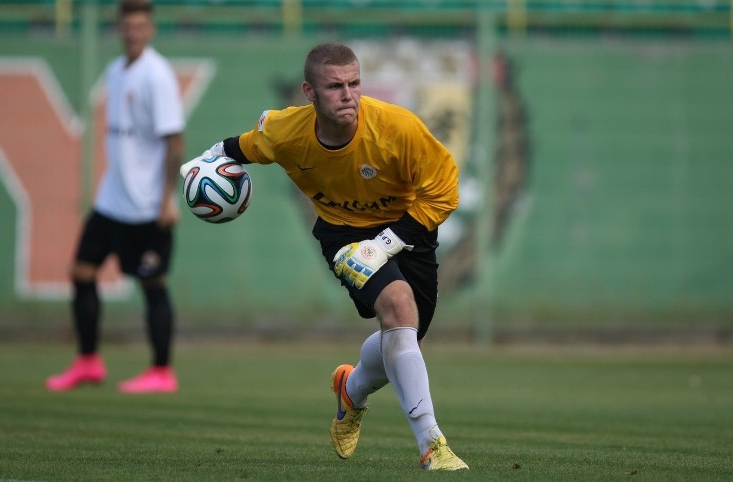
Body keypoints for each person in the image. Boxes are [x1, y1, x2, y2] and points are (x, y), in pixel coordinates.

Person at [183, 43, 468, 470]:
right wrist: (203, 162)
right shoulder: (285, 132)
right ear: (309, 92)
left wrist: (387, 244)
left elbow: (444, 190)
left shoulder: (398, 128)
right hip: (343, 234)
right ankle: (432, 445)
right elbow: (239, 148)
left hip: (409, 228)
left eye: (354, 83)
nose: (348, 95)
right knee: (398, 307)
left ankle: (351, 391)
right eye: (334, 86)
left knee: (407, 332)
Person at [46, 0, 185, 394]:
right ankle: (88, 361)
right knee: (81, 273)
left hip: (146, 207)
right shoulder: (115, 72)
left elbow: (174, 140)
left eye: (140, 25)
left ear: (150, 29)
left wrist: (165, 199)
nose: (133, 31)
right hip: (111, 201)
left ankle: (161, 371)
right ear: (119, 29)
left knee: (152, 284)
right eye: (127, 25)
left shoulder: (157, 75)